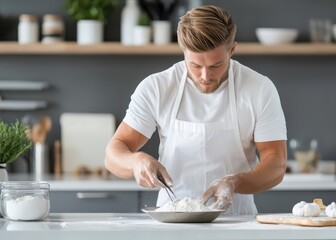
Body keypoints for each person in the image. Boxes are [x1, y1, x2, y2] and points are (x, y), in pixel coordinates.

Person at [105, 5, 287, 215]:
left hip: (237, 222)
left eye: (216, 65)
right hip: (171, 221)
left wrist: (235, 182)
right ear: (183, 52)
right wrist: (136, 161)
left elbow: (276, 164)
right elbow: (113, 155)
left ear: (232, 50)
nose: (205, 75)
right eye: (195, 65)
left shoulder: (259, 89)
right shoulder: (157, 87)